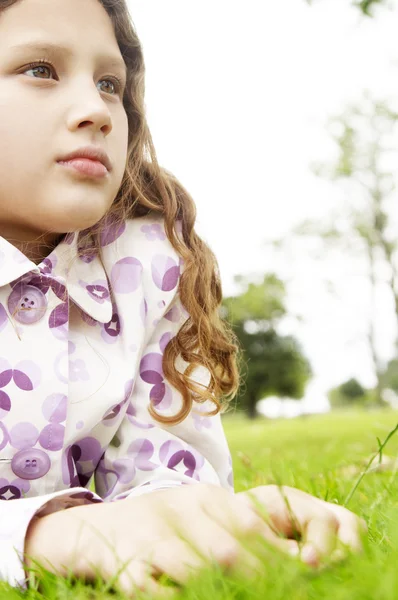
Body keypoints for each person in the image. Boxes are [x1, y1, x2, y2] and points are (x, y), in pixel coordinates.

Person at [0, 0, 366, 596]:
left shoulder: (146, 268)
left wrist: (200, 513)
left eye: (110, 84)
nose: (96, 110)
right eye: (40, 69)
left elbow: (157, 466)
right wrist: (49, 536)